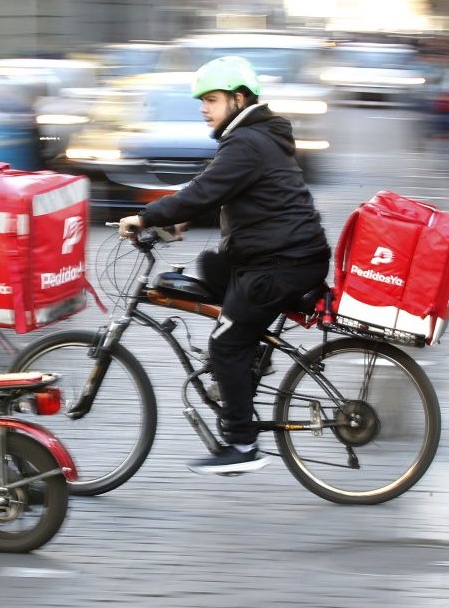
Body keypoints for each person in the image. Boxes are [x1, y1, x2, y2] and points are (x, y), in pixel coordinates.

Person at [118, 56, 330, 475]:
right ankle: (249, 357)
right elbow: (220, 189)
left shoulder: (247, 142)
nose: (204, 108)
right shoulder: (256, 136)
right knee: (211, 266)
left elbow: (205, 190)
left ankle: (242, 443)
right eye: (202, 101)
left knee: (225, 343)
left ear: (239, 99)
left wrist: (146, 217)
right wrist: (180, 218)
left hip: (281, 264)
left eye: (211, 100)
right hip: (285, 256)